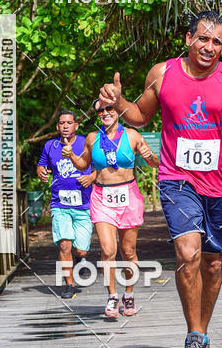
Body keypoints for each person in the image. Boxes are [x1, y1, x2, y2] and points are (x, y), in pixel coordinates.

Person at [98, 10, 222, 348]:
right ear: (188, 39)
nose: (210, 47)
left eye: (217, 41)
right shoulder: (162, 74)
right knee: (188, 253)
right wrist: (119, 101)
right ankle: (193, 336)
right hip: (177, 180)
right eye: (203, 39)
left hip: (220, 185)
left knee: (212, 264)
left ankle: (202, 335)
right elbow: (140, 117)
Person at [63, 100, 159, 319]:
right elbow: (83, 164)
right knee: (107, 250)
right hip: (102, 197)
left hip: (128, 197)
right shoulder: (92, 138)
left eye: (109, 109)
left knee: (128, 252)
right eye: (100, 110)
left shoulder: (133, 135)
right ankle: (112, 296)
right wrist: (71, 156)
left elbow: (153, 162)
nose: (105, 113)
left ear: (118, 111)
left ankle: (129, 294)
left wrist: (150, 155)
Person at [36, 110, 96, 299]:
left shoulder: (86, 142)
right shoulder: (50, 145)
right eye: (62, 123)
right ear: (57, 126)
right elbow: (41, 164)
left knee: (81, 249)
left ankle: (80, 257)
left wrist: (91, 177)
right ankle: (69, 285)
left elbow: (100, 168)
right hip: (59, 204)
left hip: (83, 204)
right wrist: (41, 171)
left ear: (76, 126)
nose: (65, 126)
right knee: (64, 245)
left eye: (69, 123)